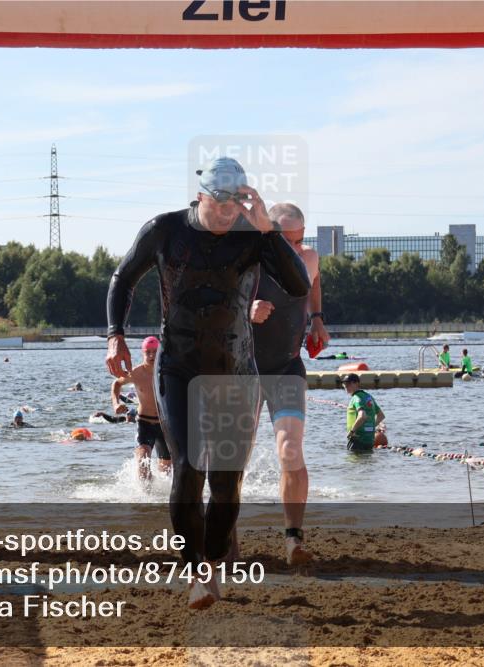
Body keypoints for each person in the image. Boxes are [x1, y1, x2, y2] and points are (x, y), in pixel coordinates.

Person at [105, 157, 310, 610]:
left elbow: (298, 285)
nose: (226, 214)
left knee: (226, 483)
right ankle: (196, 571)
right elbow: (123, 278)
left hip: (236, 369)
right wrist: (115, 334)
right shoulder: (166, 230)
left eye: (236, 206)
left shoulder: (254, 238)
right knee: (188, 466)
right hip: (179, 367)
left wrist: (267, 231)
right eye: (219, 204)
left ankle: (214, 561)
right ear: (201, 196)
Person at [250, 202, 329, 566]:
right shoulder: (249, 261)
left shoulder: (308, 258)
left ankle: (293, 540)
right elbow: (215, 303)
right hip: (245, 370)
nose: (296, 250)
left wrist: (317, 318)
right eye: (288, 242)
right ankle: (226, 537)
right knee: (232, 459)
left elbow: (314, 280)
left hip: (286, 367)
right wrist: (246, 309)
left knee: (290, 449)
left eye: (300, 240)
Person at [111, 336, 169, 480]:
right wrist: (116, 404)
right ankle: (144, 493)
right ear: (143, 353)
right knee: (143, 463)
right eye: (148, 352)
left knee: (166, 472)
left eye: (155, 352)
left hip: (165, 425)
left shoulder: (168, 372)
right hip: (144, 423)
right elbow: (116, 384)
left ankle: (160, 494)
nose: (151, 356)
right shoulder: (136, 373)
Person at [340, 374, 384, 453]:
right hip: (369, 440)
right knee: (366, 459)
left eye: (348, 383)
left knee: (353, 460)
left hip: (357, 439)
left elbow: (362, 416)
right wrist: (371, 427)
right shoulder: (369, 397)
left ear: (356, 383)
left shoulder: (356, 398)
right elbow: (381, 416)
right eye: (344, 384)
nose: (346, 386)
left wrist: (352, 431)